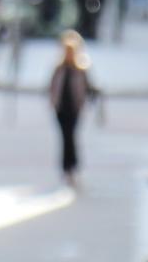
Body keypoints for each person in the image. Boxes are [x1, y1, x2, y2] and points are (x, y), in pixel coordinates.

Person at [48, 29, 96, 187]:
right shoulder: (59, 68)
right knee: (65, 137)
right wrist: (53, 102)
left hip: (74, 108)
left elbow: (88, 89)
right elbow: (52, 87)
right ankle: (67, 167)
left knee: (71, 137)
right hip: (61, 108)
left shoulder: (81, 69)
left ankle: (72, 166)